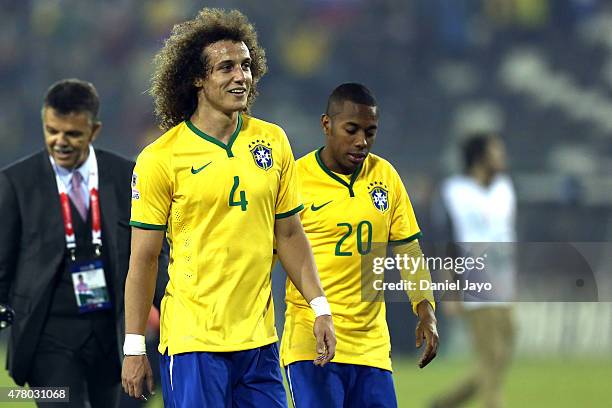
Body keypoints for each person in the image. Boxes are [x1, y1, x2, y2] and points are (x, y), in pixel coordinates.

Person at [121, 8, 335, 407]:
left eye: (246, 66)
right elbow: (144, 259)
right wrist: (134, 347)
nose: (241, 76)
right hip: (193, 341)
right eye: (226, 68)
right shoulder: (160, 159)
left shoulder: (272, 141)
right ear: (198, 79)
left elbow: (289, 234)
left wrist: (320, 307)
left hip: (259, 342)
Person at [280, 83, 439, 408]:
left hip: (371, 348)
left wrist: (425, 309)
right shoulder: (295, 178)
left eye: (370, 132)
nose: (361, 141)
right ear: (327, 124)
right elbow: (268, 252)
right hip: (313, 344)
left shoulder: (386, 176)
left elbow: (408, 252)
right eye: (351, 130)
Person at [0, 79, 147, 408]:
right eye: (52, 131)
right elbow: (2, 260)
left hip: (109, 335)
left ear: (94, 131)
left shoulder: (125, 177)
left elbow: (150, 251)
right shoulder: (16, 183)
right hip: (45, 337)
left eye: (73, 134)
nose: (60, 142)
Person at [431, 133, 517, 408]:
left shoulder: (505, 188)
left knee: (501, 356)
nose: (502, 156)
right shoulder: (454, 192)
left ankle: (444, 403)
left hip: (505, 284)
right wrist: (450, 289)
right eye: (496, 151)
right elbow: (445, 244)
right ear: (480, 157)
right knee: (491, 358)